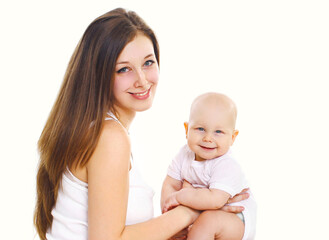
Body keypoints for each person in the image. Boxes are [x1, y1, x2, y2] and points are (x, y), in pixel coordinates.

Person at [34, 8, 249, 240]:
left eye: (148, 62)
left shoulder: (96, 129)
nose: (142, 80)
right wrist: (193, 209)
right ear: (100, 74)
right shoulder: (109, 137)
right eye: (124, 69)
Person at [161, 92, 257, 240]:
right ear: (187, 130)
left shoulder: (227, 164)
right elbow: (170, 184)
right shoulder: (183, 155)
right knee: (172, 229)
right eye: (200, 129)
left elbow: (215, 200)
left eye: (218, 132)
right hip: (204, 213)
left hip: (235, 219)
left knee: (208, 222)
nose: (208, 138)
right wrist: (169, 211)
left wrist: (181, 196)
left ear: (232, 137)